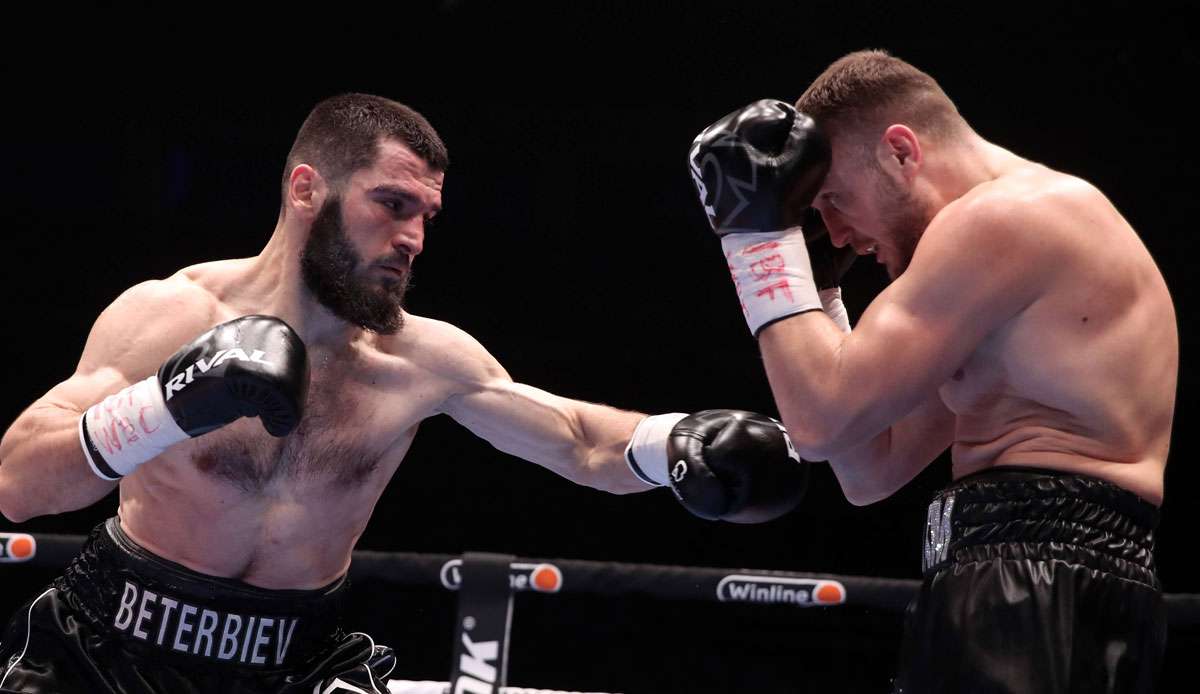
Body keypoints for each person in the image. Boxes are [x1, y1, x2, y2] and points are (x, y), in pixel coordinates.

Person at [0, 93, 808, 693]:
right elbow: (20, 483)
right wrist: (169, 406)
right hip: (111, 638)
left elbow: (579, 438)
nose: (413, 239)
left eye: (426, 215)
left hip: (295, 661)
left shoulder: (421, 359)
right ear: (307, 189)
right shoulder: (168, 314)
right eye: (391, 205)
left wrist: (677, 445)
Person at [687, 50, 1174, 693]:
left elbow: (816, 424)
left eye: (831, 197)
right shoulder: (1004, 271)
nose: (832, 234)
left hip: (1033, 593)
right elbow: (870, 468)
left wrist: (757, 243)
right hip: (1043, 581)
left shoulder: (1008, 217)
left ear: (900, 151)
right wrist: (823, 296)